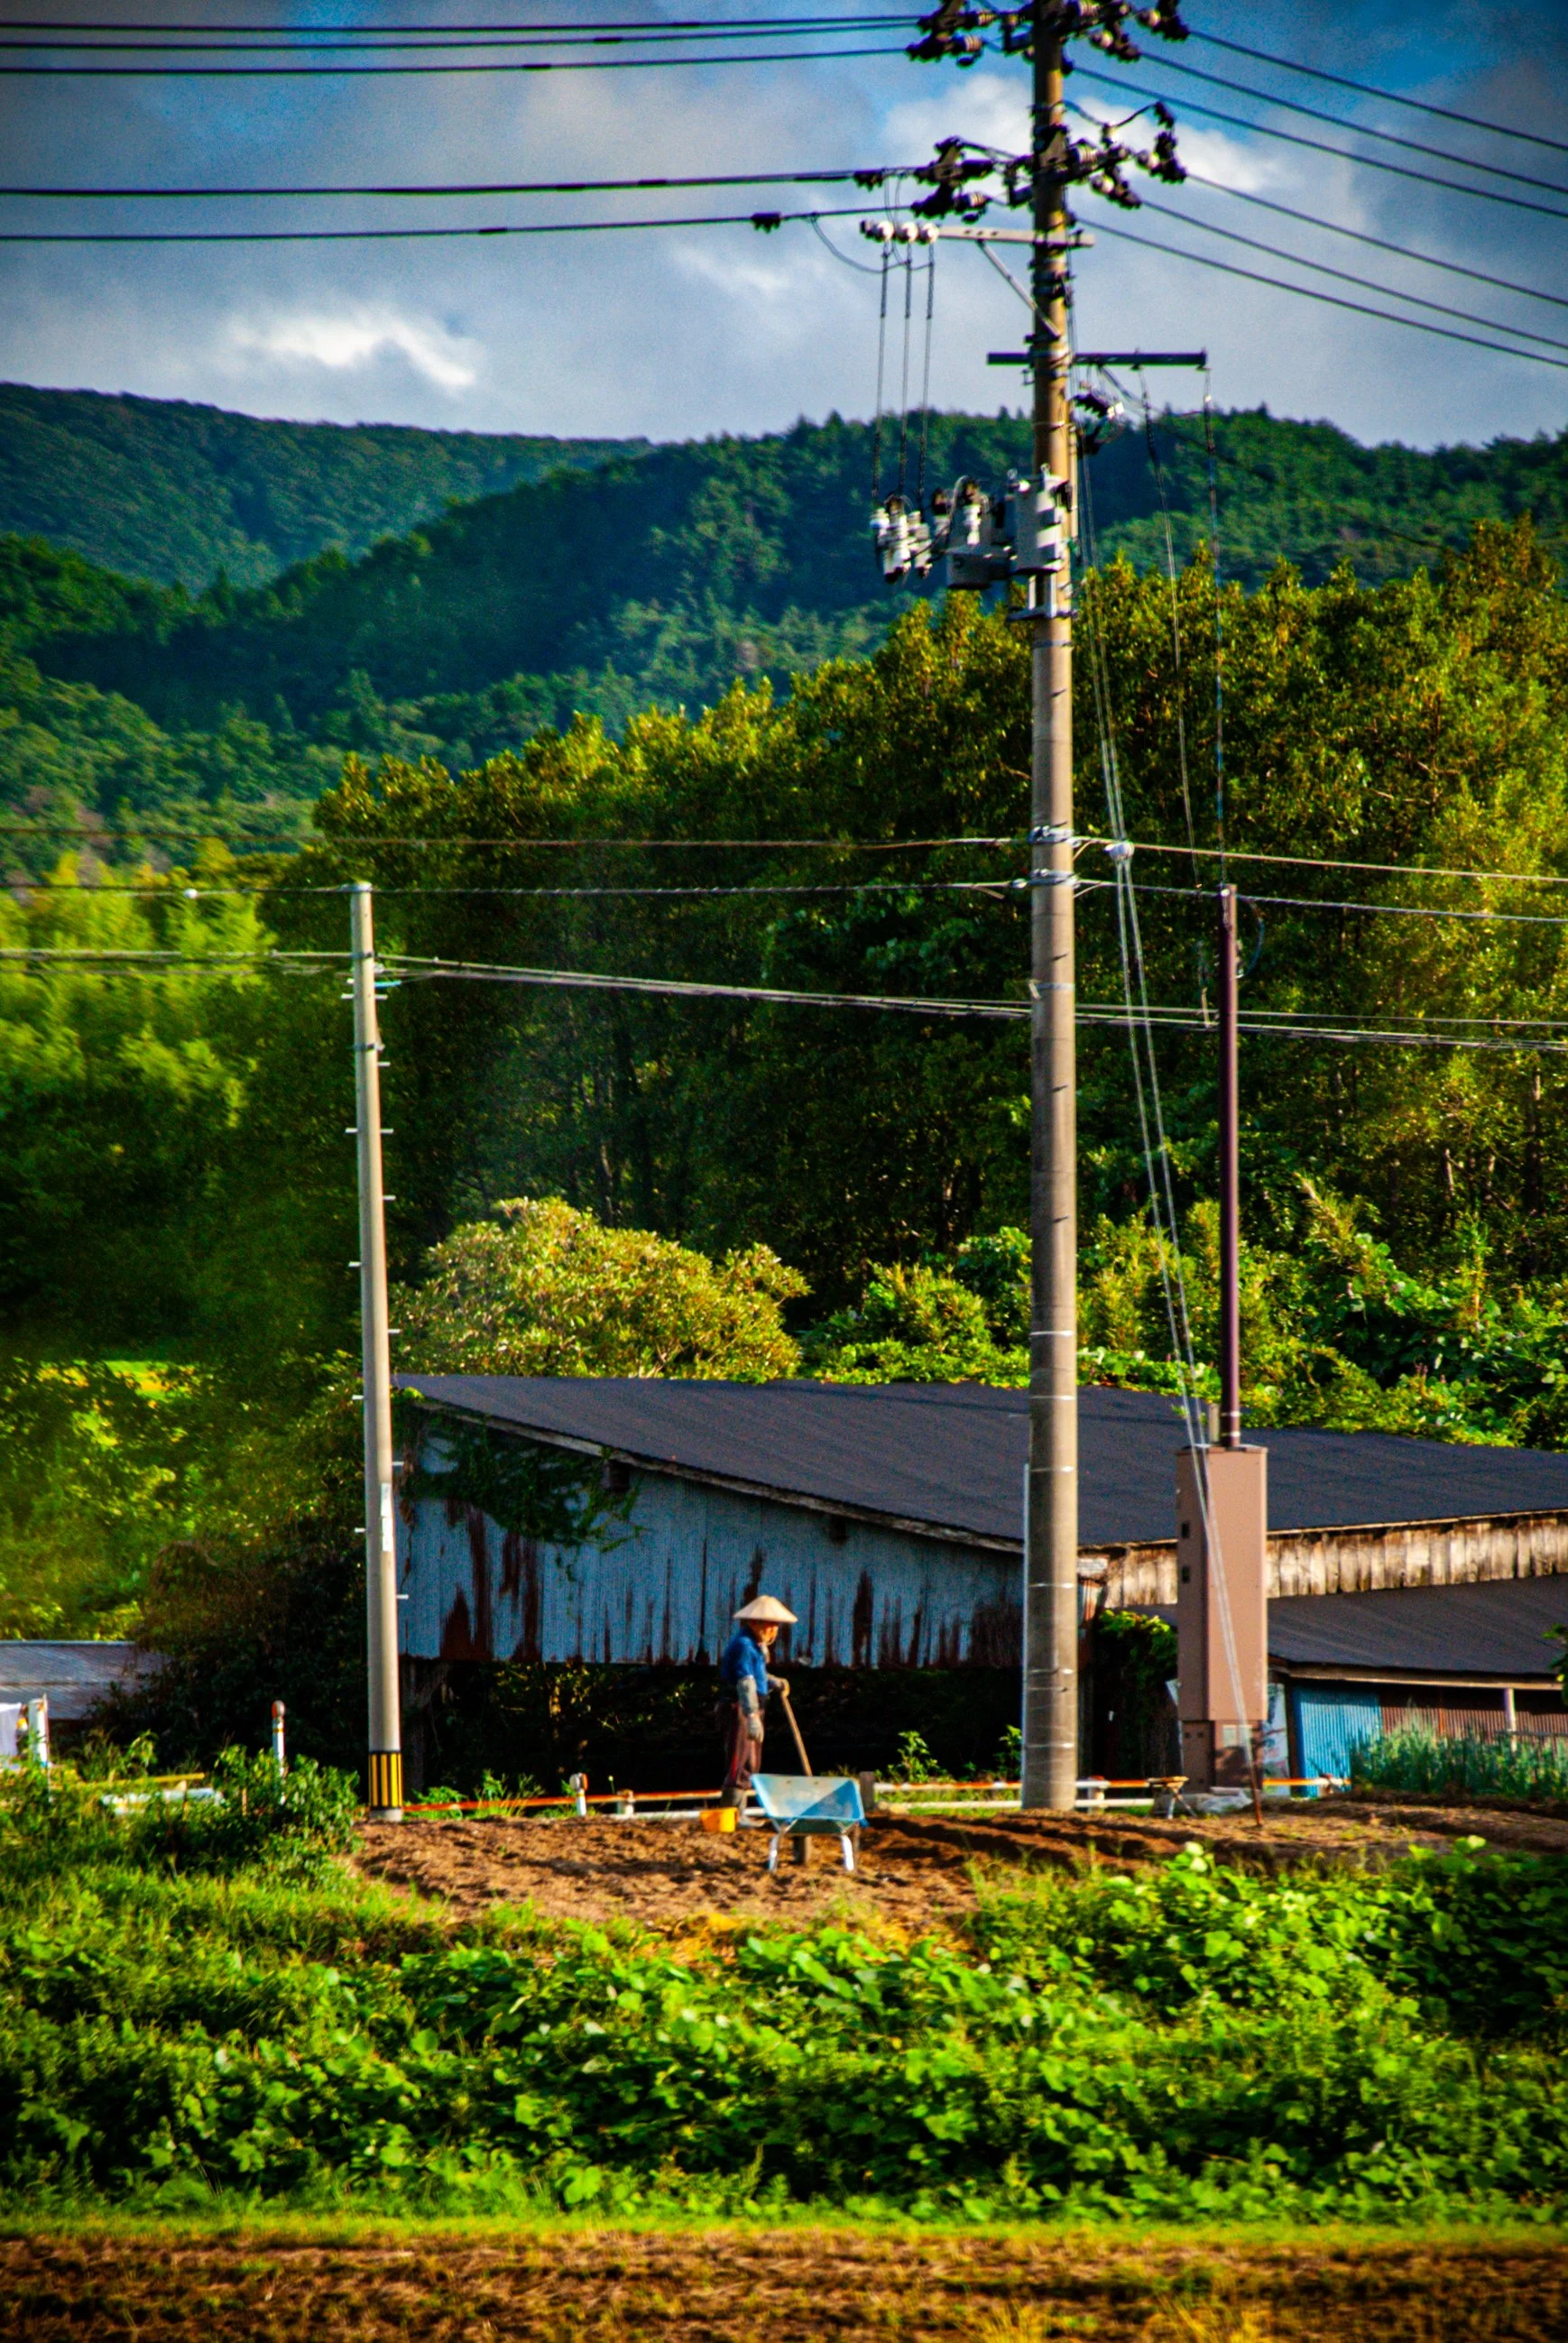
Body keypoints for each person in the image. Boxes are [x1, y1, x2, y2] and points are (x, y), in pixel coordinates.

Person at [717, 1594, 796, 1809]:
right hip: (740, 1708)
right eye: (770, 1624)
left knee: (752, 1763)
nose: (774, 1629)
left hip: (755, 1706)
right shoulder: (744, 1644)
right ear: (755, 1623)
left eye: (776, 1625)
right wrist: (751, 1716)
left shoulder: (757, 1645)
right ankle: (732, 1812)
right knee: (738, 1762)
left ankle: (740, 1812)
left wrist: (772, 1682)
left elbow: (758, 1676)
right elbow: (745, 1682)